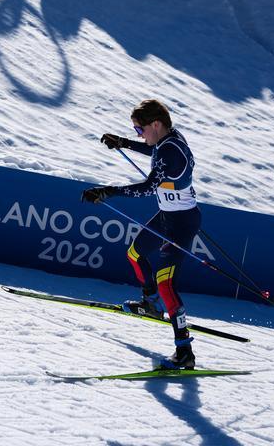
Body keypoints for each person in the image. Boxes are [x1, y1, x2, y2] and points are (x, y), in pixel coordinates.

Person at [81, 99, 200, 369]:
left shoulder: (172, 151)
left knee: (166, 282)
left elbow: (148, 187)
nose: (139, 135)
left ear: (155, 124)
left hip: (181, 223)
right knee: (135, 254)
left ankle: (184, 352)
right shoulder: (167, 140)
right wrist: (124, 142)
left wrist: (109, 191)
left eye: (139, 130)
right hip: (167, 216)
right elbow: (154, 151)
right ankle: (150, 304)